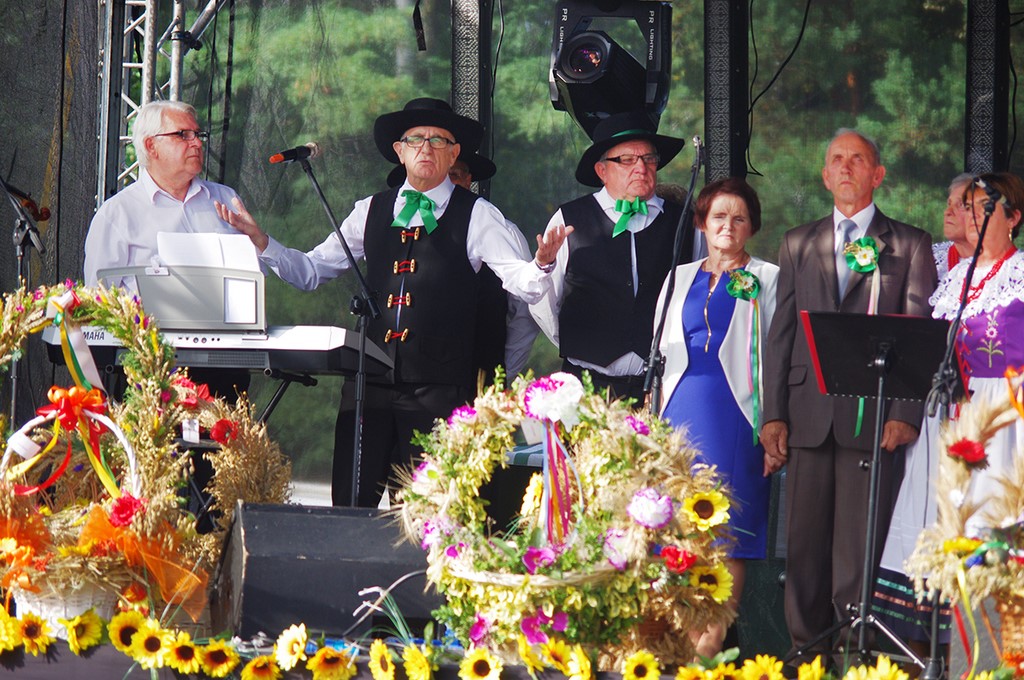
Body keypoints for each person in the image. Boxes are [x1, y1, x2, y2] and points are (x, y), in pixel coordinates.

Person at [217, 97, 570, 507]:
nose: (426, 148)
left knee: (427, 510)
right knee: (352, 504)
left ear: (454, 153)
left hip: (440, 392)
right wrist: (262, 241)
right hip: (369, 386)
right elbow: (310, 271)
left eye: (439, 141)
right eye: (416, 139)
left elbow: (521, 284)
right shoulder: (370, 210)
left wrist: (542, 264)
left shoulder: (479, 214)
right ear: (399, 151)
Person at [760, 129, 938, 667]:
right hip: (807, 416)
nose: (845, 167)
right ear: (823, 175)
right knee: (804, 545)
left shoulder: (908, 244)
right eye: (836, 159)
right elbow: (781, 335)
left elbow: (919, 331)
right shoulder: (798, 242)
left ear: (877, 174)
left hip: (875, 418)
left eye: (857, 159)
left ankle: (855, 657)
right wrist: (773, 415)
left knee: (859, 547)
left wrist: (906, 413)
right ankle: (805, 655)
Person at [654, 177, 779, 658]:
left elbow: (779, 356)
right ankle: (676, 645)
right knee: (677, 531)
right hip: (678, 415)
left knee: (728, 535)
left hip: (737, 417)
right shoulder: (678, 277)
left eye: (739, 218)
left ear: (752, 227)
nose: (728, 225)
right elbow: (659, 353)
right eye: (719, 216)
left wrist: (775, 424)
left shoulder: (768, 277)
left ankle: (710, 644)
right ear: (702, 223)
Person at [872, 173, 978, 660]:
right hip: (933, 414)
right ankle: (916, 650)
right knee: (921, 522)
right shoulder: (933, 260)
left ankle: (968, 649)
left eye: (964, 204)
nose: (949, 209)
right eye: (949, 200)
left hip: (981, 415)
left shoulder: (1012, 273)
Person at [531, 110, 697, 402]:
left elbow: (698, 294)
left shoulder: (685, 221)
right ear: (602, 171)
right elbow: (542, 302)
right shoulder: (570, 219)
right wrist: (580, 344)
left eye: (648, 158)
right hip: (587, 387)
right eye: (627, 160)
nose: (641, 168)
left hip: (661, 388)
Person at [387, 152, 541, 379]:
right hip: (384, 379)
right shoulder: (384, 226)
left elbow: (525, 312)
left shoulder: (499, 230)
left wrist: (501, 373)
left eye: (452, 175)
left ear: (468, 180)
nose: (441, 183)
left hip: (467, 380)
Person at [84, 100, 245, 290]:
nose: (197, 143)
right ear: (151, 146)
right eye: (183, 135)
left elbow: (253, 280)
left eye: (198, 134)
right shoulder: (117, 213)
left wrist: (259, 242)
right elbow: (98, 297)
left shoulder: (226, 199)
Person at [933, 173, 975, 279]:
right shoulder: (931, 258)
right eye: (949, 204)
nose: (947, 212)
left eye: (961, 205)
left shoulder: (1010, 269)